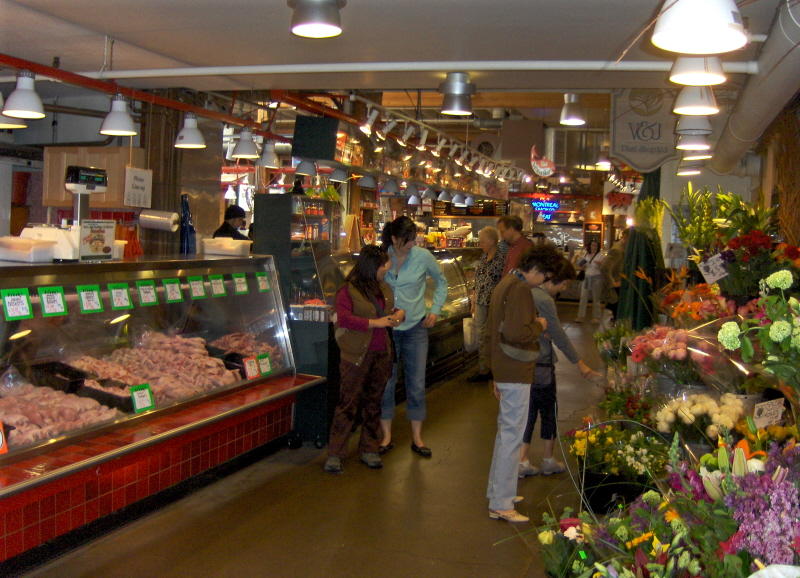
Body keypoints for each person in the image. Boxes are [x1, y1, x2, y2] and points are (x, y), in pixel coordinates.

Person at [485, 245, 563, 523]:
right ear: (536, 270)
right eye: (544, 276)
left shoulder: (505, 283)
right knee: (511, 436)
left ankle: (499, 492)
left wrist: (493, 371)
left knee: (505, 433)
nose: (543, 282)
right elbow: (518, 332)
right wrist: (539, 325)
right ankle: (502, 503)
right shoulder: (519, 290)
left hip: (503, 366)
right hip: (516, 368)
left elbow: (494, 330)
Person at [324, 246, 405, 474]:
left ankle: (369, 448)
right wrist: (374, 323)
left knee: (373, 402)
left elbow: (391, 310)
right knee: (347, 403)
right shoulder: (347, 291)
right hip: (355, 354)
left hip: (381, 353)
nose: (386, 269)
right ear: (372, 267)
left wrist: (400, 314)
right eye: (382, 265)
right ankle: (335, 453)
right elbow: (343, 318)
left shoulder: (384, 288)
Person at [518, 259, 602, 478]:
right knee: (547, 410)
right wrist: (580, 363)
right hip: (542, 362)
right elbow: (559, 334)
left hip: (525, 362)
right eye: (564, 285)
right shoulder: (544, 299)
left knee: (528, 410)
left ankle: (523, 459)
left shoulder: (525, 291)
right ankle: (543, 459)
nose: (563, 289)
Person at [379, 216, 447, 458]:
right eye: (407, 240)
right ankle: (386, 435)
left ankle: (417, 437)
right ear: (395, 238)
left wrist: (435, 310)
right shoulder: (382, 255)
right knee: (386, 382)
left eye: (413, 240)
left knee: (416, 383)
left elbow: (442, 282)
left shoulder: (423, 257)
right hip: (387, 328)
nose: (412, 244)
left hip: (416, 326)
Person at [466, 226, 506, 383]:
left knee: (494, 336)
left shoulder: (501, 259)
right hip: (481, 301)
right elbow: (478, 280)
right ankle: (484, 369)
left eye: (482, 241)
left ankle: (495, 368)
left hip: (495, 303)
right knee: (481, 335)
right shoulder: (484, 257)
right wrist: (474, 299)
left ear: (491, 241)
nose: (480, 244)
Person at [575, 239, 606, 323]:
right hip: (587, 277)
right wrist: (580, 261)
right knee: (583, 297)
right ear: (590, 246)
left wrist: (601, 265)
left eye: (595, 245)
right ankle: (580, 316)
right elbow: (580, 266)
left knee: (596, 298)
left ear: (598, 247)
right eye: (592, 245)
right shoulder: (586, 254)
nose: (594, 247)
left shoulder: (600, 255)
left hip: (597, 278)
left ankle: (596, 317)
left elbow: (604, 268)